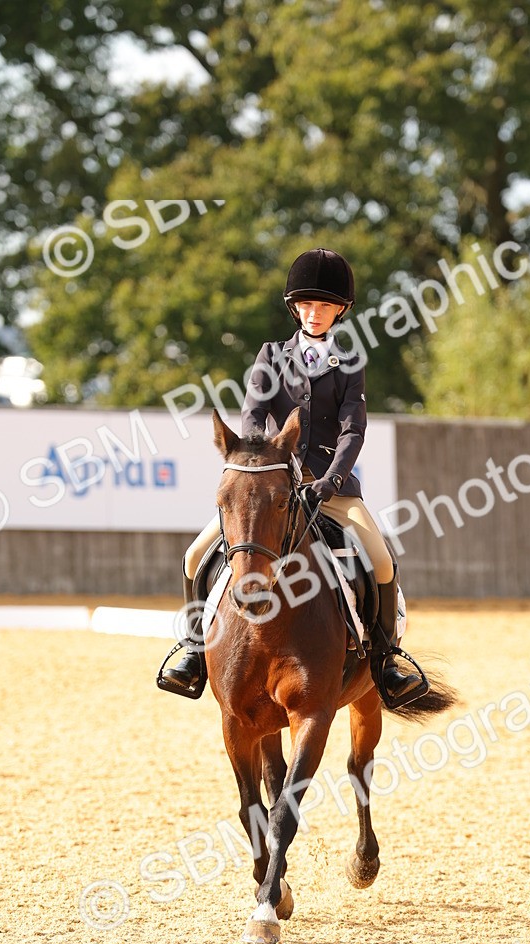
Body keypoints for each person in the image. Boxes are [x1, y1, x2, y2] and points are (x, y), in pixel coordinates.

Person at [160, 247, 427, 708]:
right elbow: (253, 413)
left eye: (324, 305)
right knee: (193, 557)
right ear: (294, 307)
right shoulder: (271, 355)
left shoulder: (350, 360)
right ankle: (193, 651)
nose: (314, 313)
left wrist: (332, 480)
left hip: (330, 488)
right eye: (306, 304)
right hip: (271, 485)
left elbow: (352, 428)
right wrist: (262, 461)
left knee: (381, 561)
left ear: (340, 310)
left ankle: (386, 659)